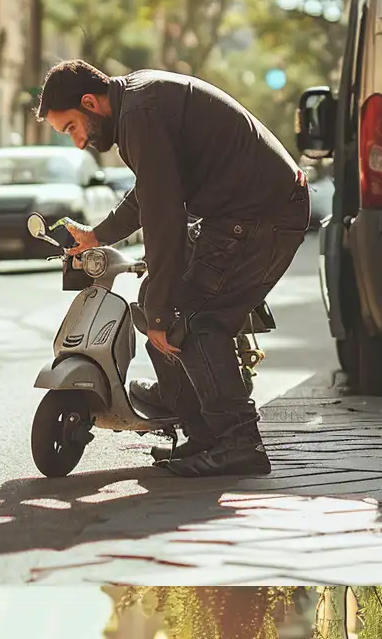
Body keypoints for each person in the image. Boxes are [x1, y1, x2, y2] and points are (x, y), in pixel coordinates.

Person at [39, 61, 313, 480]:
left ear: (90, 103)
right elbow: (152, 191)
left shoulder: (139, 115)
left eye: (72, 128)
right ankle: (201, 430)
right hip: (241, 214)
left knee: (194, 319)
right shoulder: (138, 105)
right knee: (155, 303)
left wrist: (168, 311)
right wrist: (97, 235)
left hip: (264, 213)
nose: (78, 143)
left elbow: (163, 216)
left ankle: (239, 444)